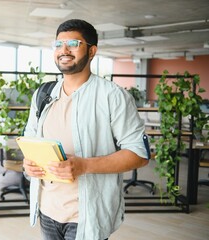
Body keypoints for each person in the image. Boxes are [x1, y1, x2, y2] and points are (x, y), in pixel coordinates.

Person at [23, 19, 150, 240]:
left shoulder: (112, 96)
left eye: (73, 43)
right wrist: (28, 164)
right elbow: (31, 140)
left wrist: (84, 165)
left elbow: (139, 154)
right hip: (47, 210)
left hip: (87, 215)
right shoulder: (43, 94)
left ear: (92, 51)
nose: (64, 50)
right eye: (58, 44)